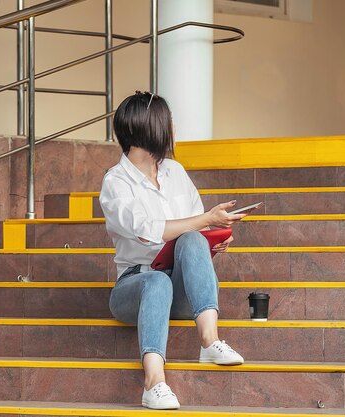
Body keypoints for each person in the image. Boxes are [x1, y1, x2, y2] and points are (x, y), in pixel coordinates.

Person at [99, 91, 245, 410]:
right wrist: (206, 219)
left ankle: (209, 341)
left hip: (180, 289)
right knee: (157, 281)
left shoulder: (175, 172)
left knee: (193, 239)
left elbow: (195, 230)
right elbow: (147, 231)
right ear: (149, 129)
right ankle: (154, 382)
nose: (173, 130)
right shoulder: (116, 182)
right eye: (168, 123)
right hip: (135, 287)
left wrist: (212, 241)